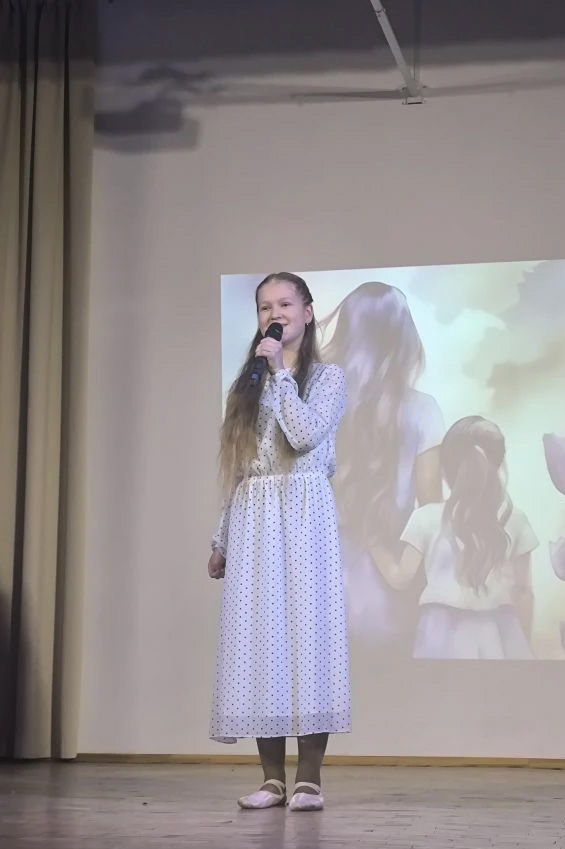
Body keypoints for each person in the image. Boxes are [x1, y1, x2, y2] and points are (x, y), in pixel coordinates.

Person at [208, 272, 349, 811]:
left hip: (305, 513)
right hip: (255, 517)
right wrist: (222, 538)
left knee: (309, 640)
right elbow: (240, 466)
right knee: (258, 642)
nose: (276, 313)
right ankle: (271, 779)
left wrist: (281, 374)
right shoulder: (248, 384)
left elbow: (305, 434)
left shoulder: (327, 378)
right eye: (266, 306)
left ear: (307, 312)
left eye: (285, 303)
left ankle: (308, 779)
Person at [320, 282, 445, 649]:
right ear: (404, 339)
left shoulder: (315, 408)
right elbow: (430, 509)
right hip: (392, 587)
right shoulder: (424, 411)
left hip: (321, 585)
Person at [370, 415, 538, 659]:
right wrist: (524, 647)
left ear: (446, 469)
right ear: (498, 465)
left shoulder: (425, 518)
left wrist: (373, 544)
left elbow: (400, 578)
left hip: (439, 633)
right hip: (502, 632)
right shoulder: (517, 519)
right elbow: (523, 592)